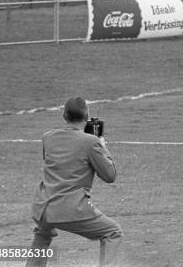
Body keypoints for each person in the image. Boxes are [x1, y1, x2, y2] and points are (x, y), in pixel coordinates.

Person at [25, 97, 122, 267]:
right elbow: (109, 175)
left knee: (42, 233)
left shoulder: (47, 137)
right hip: (70, 209)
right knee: (112, 232)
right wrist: (102, 146)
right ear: (87, 117)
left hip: (42, 207)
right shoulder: (91, 142)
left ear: (64, 115)